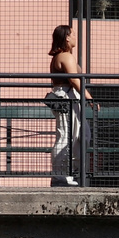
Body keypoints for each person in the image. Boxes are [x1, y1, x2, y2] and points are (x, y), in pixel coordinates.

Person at [43, 24, 86, 186]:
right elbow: (74, 79)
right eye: (73, 34)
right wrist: (88, 97)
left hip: (68, 96)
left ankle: (70, 172)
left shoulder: (64, 56)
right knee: (66, 135)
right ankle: (60, 175)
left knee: (78, 135)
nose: (75, 36)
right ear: (67, 37)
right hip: (66, 96)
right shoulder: (65, 56)